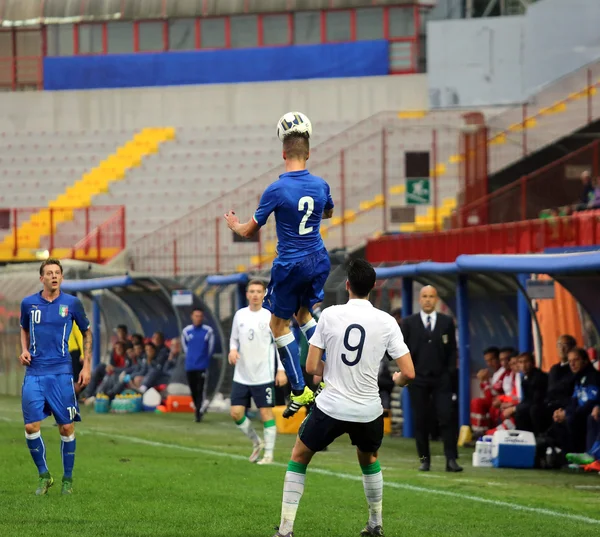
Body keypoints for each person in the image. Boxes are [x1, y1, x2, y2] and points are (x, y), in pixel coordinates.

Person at [272, 259, 415, 537]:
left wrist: (333, 369)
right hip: (368, 409)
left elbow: (312, 367)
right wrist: (398, 379)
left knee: (299, 457)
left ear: (347, 285)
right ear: (373, 287)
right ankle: (375, 523)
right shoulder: (386, 321)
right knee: (369, 458)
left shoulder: (330, 315)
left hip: (332, 406)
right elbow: (408, 371)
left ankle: (286, 530)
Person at [224, 128, 334, 418]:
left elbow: (249, 231)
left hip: (291, 263)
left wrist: (234, 224)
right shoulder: (322, 185)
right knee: (304, 315)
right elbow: (328, 213)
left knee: (276, 327)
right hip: (319, 259)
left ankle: (299, 389)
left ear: (283, 154)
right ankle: (331, 371)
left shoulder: (276, 189)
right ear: (308, 154)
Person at [19, 258, 92, 495]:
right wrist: (24, 349)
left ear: (61, 277)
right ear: (41, 278)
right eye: (49, 273)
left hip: (61, 372)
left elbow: (86, 332)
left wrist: (86, 365)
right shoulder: (28, 303)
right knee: (31, 426)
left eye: (57, 273)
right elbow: (23, 327)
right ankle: (44, 475)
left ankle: (67, 481)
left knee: (66, 428)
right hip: (35, 372)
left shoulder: (72, 303)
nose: (53, 276)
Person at [401, 285, 461, 472]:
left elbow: (452, 350)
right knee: (421, 420)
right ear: (420, 299)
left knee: (446, 418)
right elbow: (403, 351)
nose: (428, 300)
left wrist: (450, 373)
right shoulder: (409, 323)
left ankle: (451, 460)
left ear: (436, 300)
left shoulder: (446, 322)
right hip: (417, 380)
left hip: (441, 379)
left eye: (431, 296)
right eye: (424, 296)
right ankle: (424, 460)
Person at [229, 280, 288, 465]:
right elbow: (233, 339)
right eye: (251, 291)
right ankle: (257, 442)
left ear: (264, 294)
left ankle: (269, 455)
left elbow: (280, 344)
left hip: (263, 374)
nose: (255, 294)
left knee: (266, 414)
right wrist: (232, 349)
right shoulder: (239, 315)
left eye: (258, 291)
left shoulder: (270, 316)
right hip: (242, 374)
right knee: (236, 413)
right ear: (247, 294)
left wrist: (281, 370)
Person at [182, 308, 215, 422]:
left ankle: (198, 412)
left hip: (202, 365)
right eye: (196, 316)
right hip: (190, 365)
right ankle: (198, 407)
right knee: (193, 389)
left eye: (200, 316)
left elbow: (210, 348)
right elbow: (185, 347)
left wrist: (204, 359)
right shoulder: (186, 331)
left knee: (200, 388)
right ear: (192, 316)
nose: (198, 318)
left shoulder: (208, 331)